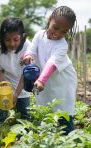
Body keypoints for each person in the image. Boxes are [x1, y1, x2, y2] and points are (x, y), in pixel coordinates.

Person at [23, 6, 77, 135]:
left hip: (63, 82)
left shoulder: (62, 45)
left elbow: (51, 64)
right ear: (49, 19)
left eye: (64, 31)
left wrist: (41, 80)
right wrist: (28, 56)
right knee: (45, 111)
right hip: (46, 81)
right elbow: (31, 50)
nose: (58, 33)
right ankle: (49, 142)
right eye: (56, 27)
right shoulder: (39, 35)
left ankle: (70, 141)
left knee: (64, 112)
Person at [0, 17, 31, 122]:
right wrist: (4, 81)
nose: (12, 44)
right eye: (7, 40)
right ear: (2, 38)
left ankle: (23, 137)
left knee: (24, 114)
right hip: (3, 84)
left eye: (16, 39)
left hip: (21, 83)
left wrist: (16, 94)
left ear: (22, 36)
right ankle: (0, 134)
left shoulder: (28, 47)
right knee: (1, 113)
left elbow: (26, 74)